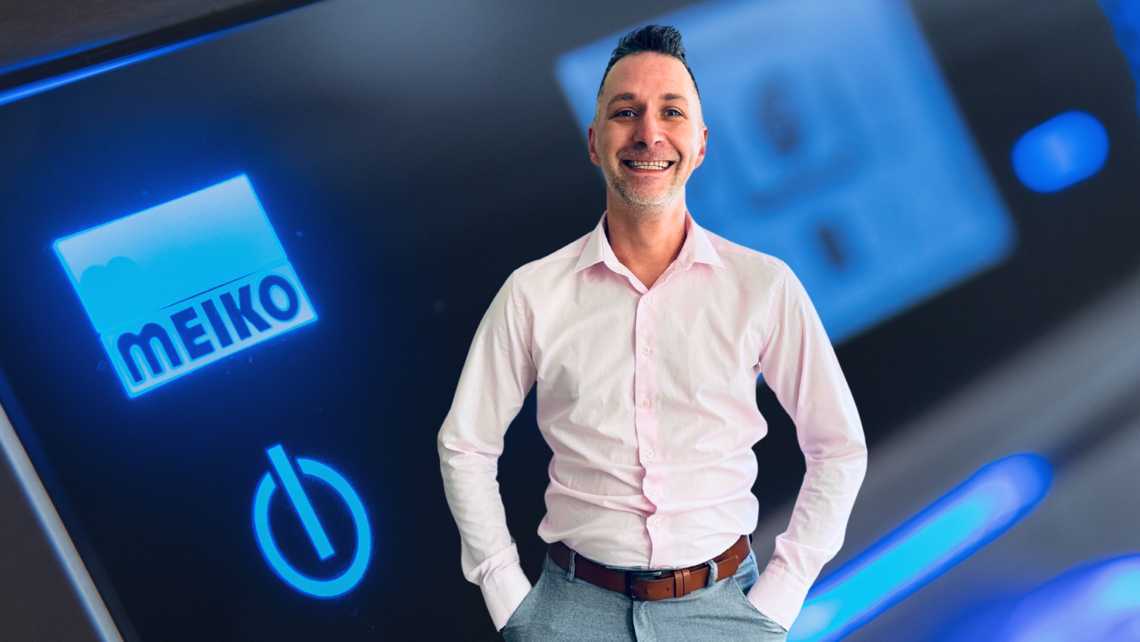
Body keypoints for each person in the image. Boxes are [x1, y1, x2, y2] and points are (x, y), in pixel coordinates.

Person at [438, 24, 867, 642]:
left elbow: (838, 447)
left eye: (671, 111)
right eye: (625, 112)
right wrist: (511, 601)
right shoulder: (531, 293)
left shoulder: (764, 286)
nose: (648, 132)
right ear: (595, 142)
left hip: (726, 612)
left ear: (700, 144)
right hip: (569, 613)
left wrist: (776, 601)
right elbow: (466, 445)